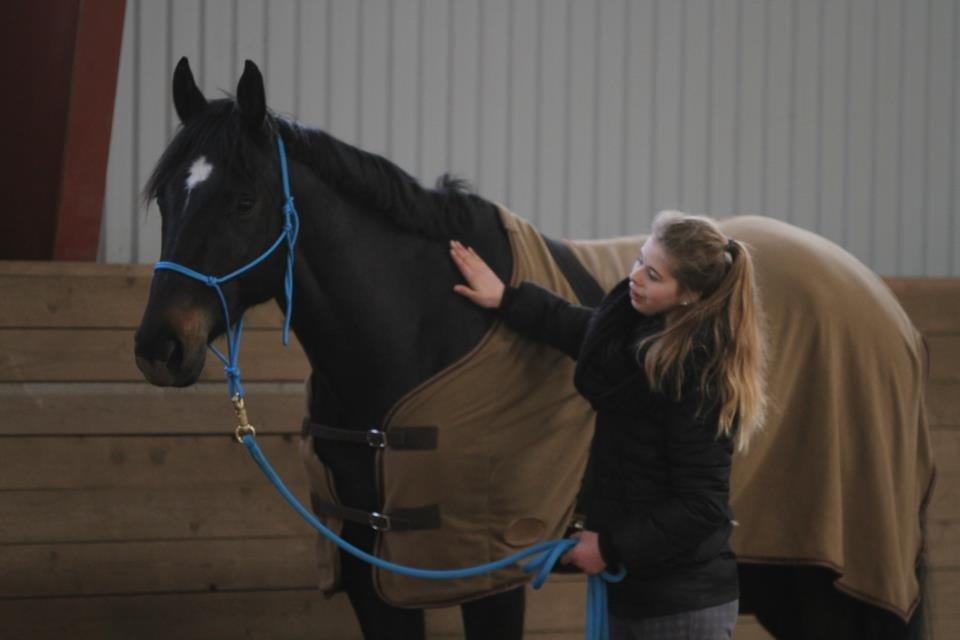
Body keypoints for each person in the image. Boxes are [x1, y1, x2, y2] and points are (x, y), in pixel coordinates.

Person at [449, 210, 767, 640]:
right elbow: (575, 325)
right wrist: (506, 298)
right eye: (639, 261)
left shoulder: (696, 380)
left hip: (681, 606)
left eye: (654, 275)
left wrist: (608, 547)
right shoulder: (635, 337)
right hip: (637, 592)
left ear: (689, 295)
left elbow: (703, 507)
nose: (635, 277)